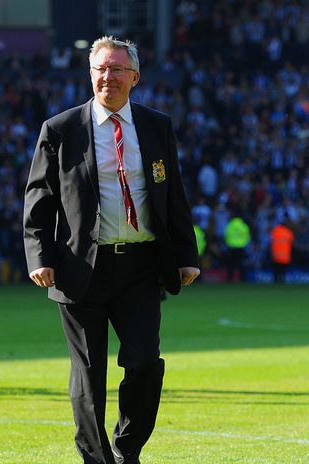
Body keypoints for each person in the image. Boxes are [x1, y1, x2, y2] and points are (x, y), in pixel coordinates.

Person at [23, 37, 200, 464]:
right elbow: (39, 200)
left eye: (118, 69)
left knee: (143, 363)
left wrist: (185, 254)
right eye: (101, 68)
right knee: (88, 375)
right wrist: (39, 256)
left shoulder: (157, 126)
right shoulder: (61, 129)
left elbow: (171, 193)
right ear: (90, 74)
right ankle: (96, 458)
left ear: (134, 77)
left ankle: (127, 449)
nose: (108, 76)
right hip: (81, 268)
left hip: (141, 268)